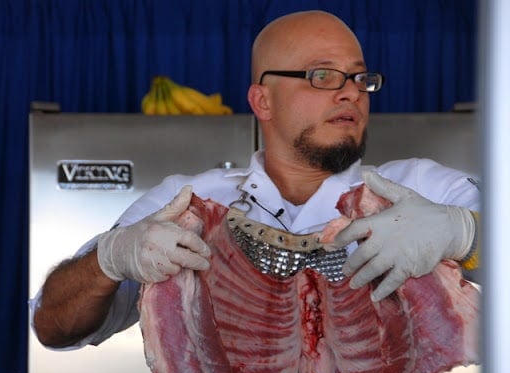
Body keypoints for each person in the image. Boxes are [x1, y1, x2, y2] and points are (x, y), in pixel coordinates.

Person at [30, 10, 480, 350]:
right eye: (322, 75)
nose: (350, 91)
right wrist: (110, 258)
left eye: (360, 77)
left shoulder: (422, 188)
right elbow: (52, 327)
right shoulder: (186, 202)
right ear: (262, 100)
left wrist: (467, 234)